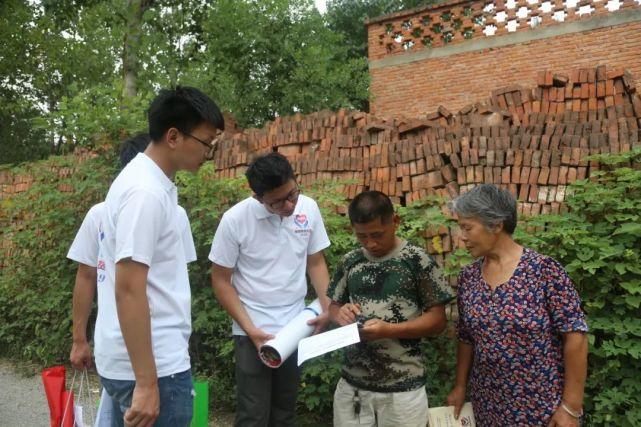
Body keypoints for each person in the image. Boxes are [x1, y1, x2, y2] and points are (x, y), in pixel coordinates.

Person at [96, 86, 224, 427]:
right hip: (155, 368)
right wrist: (147, 383)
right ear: (173, 136)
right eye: (206, 142)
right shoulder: (145, 192)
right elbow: (128, 289)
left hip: (143, 360)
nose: (209, 153)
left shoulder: (149, 183)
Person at [446, 184, 588, 426]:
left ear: (497, 224)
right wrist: (460, 387)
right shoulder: (468, 277)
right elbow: (466, 337)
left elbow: (576, 337)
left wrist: (571, 407)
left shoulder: (544, 271)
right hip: (487, 405)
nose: (462, 237)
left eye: (467, 227)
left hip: (542, 408)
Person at [209, 152, 331, 427]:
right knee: (253, 414)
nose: (289, 206)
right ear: (258, 198)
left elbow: (315, 261)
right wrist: (250, 329)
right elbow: (220, 281)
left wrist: (327, 307)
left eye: (292, 195)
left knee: (285, 410)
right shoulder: (234, 220)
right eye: (277, 202)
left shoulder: (308, 208)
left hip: (295, 325)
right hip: (251, 328)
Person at [327, 190, 455, 427]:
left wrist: (389, 330)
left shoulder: (417, 260)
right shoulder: (350, 261)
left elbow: (438, 322)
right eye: (361, 236)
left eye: (377, 234)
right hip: (352, 389)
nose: (370, 243)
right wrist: (340, 313)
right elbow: (332, 308)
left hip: (403, 391)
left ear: (395, 222)